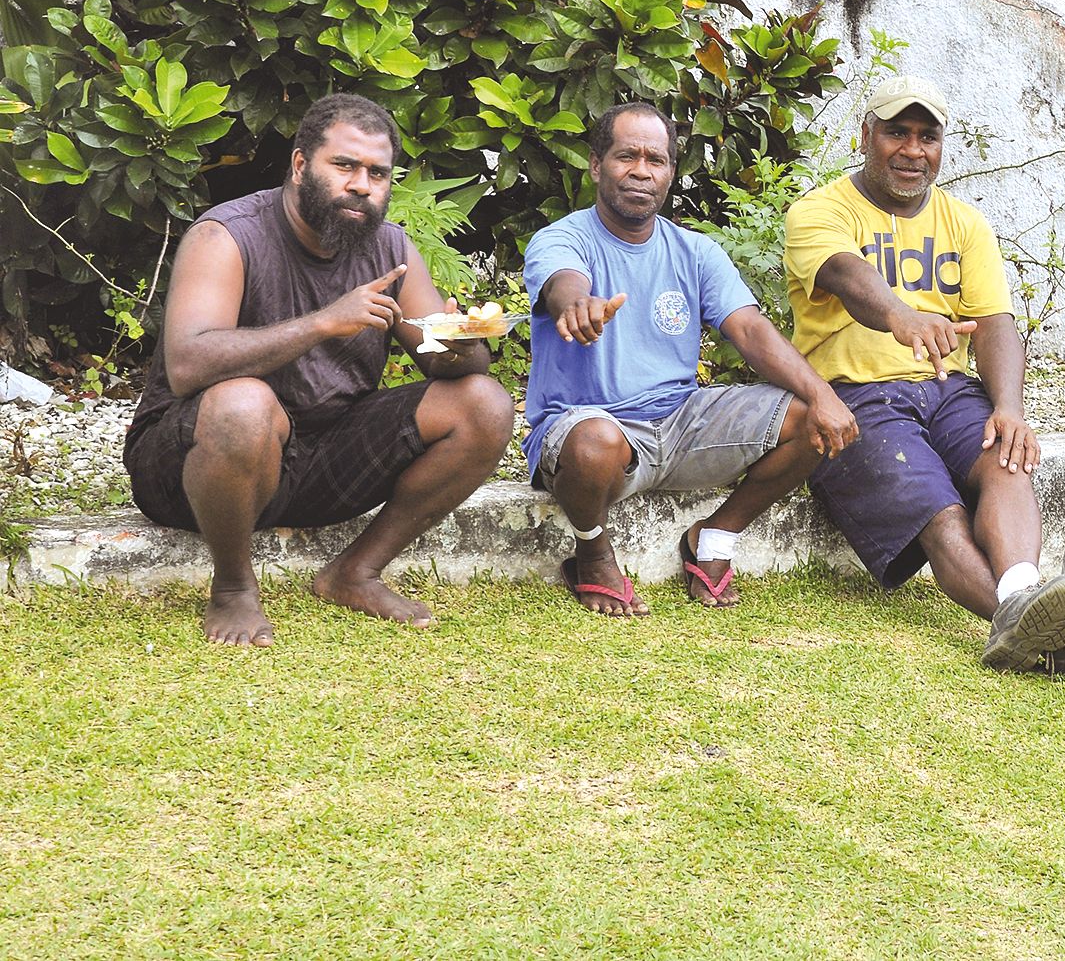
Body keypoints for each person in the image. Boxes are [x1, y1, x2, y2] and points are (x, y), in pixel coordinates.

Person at [123, 94, 516, 647]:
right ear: (301, 165)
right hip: (196, 467)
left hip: (321, 459)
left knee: (485, 403)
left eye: (378, 173)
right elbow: (188, 364)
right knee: (244, 403)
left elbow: (449, 361)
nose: (362, 185)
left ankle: (355, 572)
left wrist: (461, 343)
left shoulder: (391, 248)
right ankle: (233, 586)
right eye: (345, 165)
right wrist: (323, 323)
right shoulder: (226, 235)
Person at [783, 75, 1065, 677]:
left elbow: (995, 323)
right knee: (940, 512)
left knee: (1006, 459)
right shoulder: (819, 211)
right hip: (855, 398)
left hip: (948, 390)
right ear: (865, 136)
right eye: (897, 134)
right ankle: (1046, 628)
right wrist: (900, 316)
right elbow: (848, 277)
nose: (913, 151)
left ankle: (1025, 599)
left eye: (927, 137)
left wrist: (1008, 408)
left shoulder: (964, 222)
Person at [522, 103, 860, 617]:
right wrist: (578, 305)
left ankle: (714, 537)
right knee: (595, 444)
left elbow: (749, 329)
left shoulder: (696, 252)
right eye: (626, 156)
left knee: (814, 417)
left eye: (655, 160)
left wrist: (821, 393)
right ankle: (591, 553)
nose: (641, 171)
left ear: (670, 172)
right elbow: (564, 283)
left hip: (681, 421)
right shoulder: (563, 238)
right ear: (595, 165)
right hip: (592, 428)